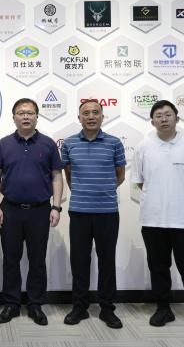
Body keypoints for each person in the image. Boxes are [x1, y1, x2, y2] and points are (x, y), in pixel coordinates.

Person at [131, 100, 184, 333]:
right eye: (158, 115)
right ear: (152, 121)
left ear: (177, 118)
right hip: (152, 219)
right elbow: (139, 181)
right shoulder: (143, 147)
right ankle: (163, 308)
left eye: (168, 114)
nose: (164, 118)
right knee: (158, 267)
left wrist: (178, 195)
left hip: (183, 219)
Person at [0, 98, 64, 326]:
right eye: (21, 112)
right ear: (13, 117)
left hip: (39, 211)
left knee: (37, 259)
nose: (25, 116)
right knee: (10, 259)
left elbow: (57, 177)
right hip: (10, 210)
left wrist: (56, 206)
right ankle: (11, 304)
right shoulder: (4, 144)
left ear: (37, 116)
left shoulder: (48, 144)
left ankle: (35, 304)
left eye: (30, 113)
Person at [60, 99, 126, 329]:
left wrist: (103, 190)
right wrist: (83, 191)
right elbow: (68, 174)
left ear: (102, 116)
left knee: (107, 260)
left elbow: (120, 175)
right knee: (79, 261)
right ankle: (80, 307)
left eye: (95, 112)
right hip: (79, 211)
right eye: (86, 113)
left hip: (107, 212)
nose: (90, 116)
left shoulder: (114, 143)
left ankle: (107, 309)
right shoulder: (69, 143)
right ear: (79, 118)